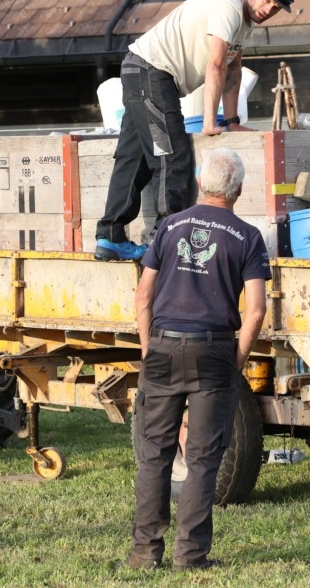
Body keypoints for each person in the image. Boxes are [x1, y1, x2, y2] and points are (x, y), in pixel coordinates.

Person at [127, 147, 271, 570]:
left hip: (163, 345)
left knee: (154, 455)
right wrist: (236, 361)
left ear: (198, 183)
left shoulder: (170, 226)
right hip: (214, 350)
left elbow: (143, 295)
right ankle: (190, 556)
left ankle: (144, 554)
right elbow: (256, 311)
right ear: (238, 190)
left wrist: (149, 350)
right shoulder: (248, 237)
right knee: (204, 460)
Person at [95, 0, 296, 262]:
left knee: (134, 158)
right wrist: (210, 122)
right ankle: (165, 243)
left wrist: (232, 123)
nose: (268, 10)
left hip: (141, 70)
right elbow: (216, 65)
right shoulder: (229, 7)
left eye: (275, 8)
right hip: (151, 71)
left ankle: (110, 237)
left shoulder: (245, 18)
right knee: (173, 157)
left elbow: (233, 68)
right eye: (267, 1)